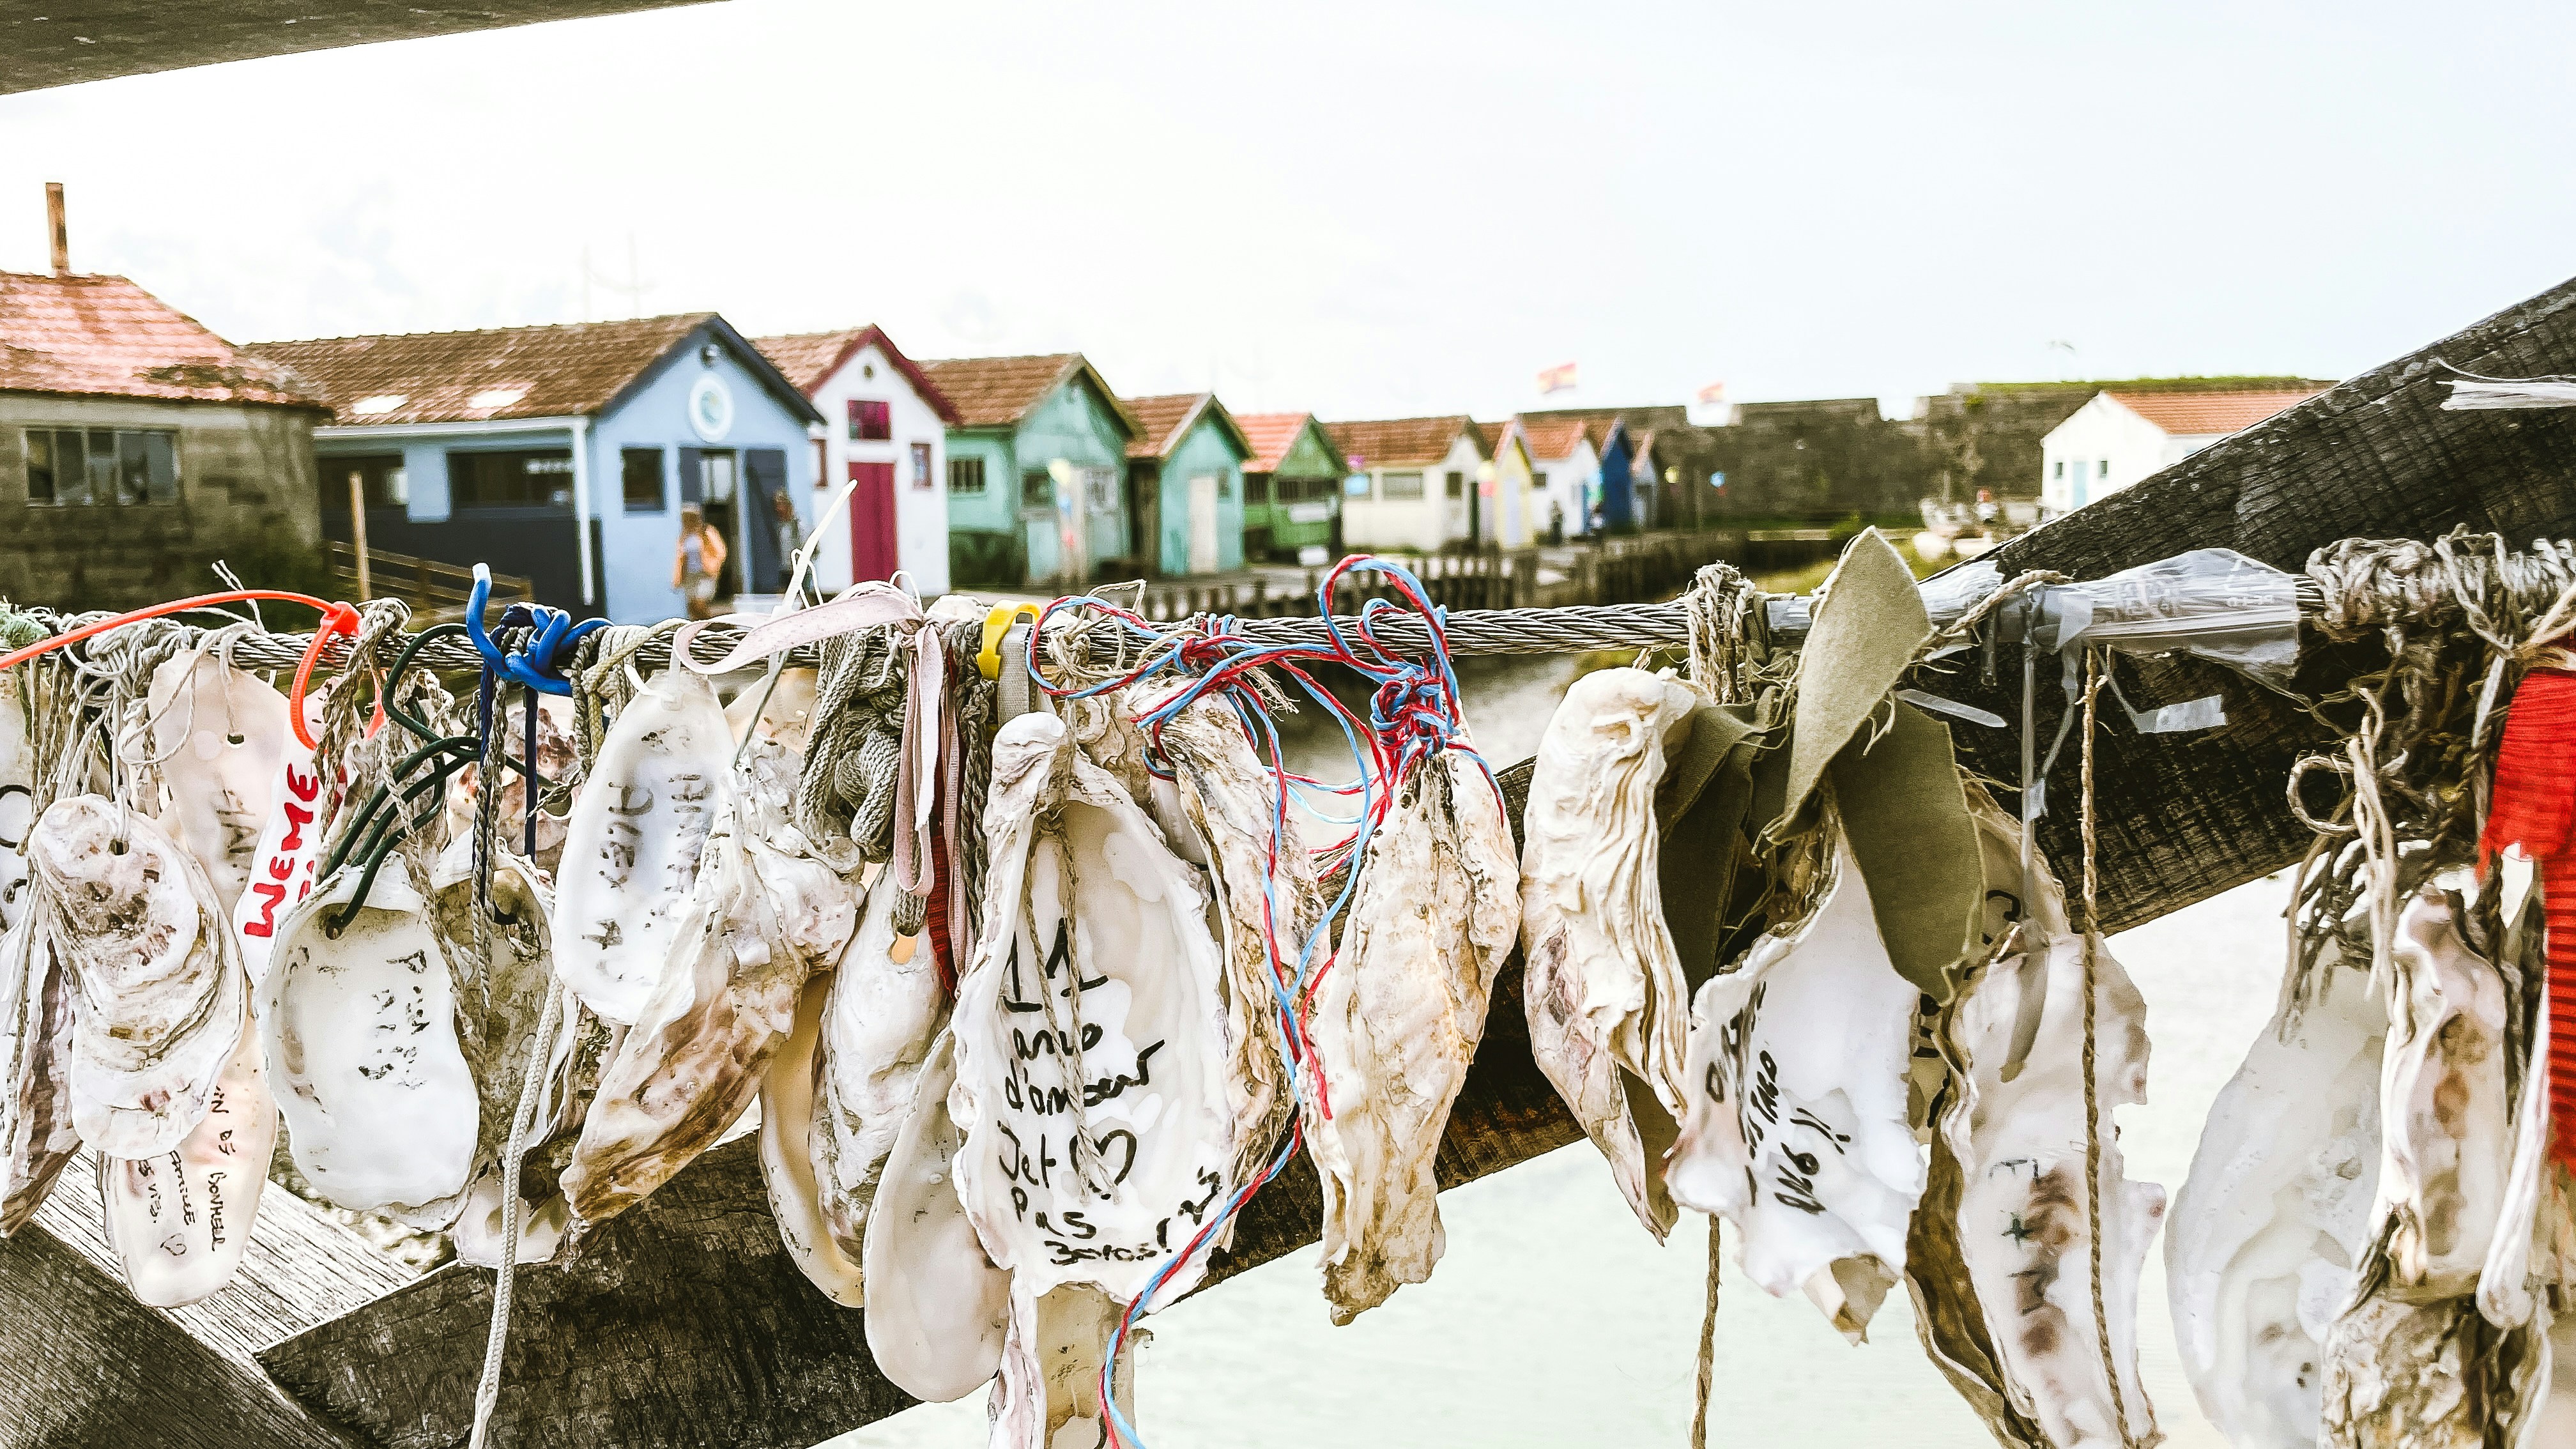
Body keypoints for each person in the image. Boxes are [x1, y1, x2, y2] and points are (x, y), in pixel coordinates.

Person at [673, 506, 727, 620]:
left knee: (700, 602)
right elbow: (680, 558)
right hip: (689, 575)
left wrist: (713, 567)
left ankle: (711, 624)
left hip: (705, 574)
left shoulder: (706, 532)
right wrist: (678, 578)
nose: (686, 522)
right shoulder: (684, 536)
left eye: (688, 518)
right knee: (692, 607)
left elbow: (720, 552)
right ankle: (700, 627)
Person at [772, 489, 807, 592]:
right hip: (785, 570)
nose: (778, 509)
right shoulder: (781, 527)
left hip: (799, 571)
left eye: (781, 504)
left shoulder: (799, 525)